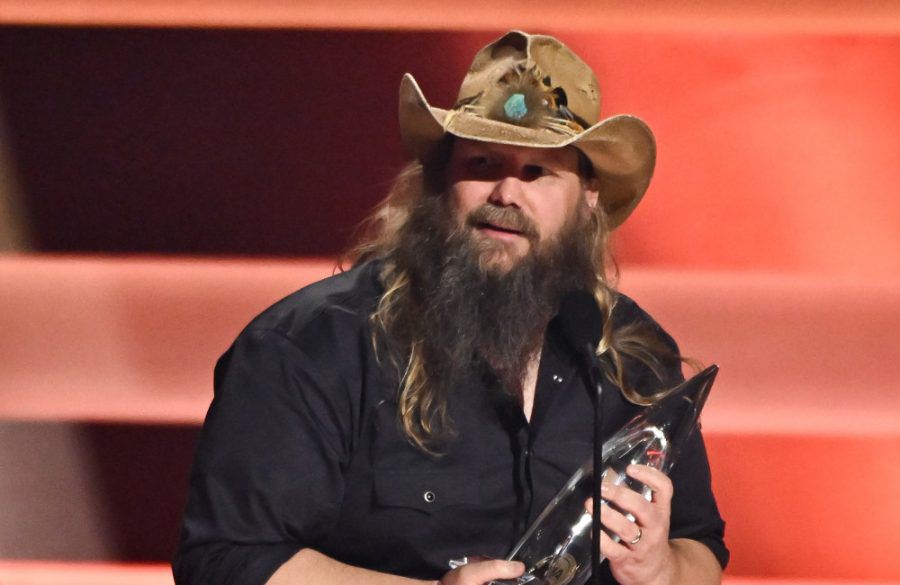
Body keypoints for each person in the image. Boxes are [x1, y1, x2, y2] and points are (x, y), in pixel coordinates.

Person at [173, 30, 728, 585]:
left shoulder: (629, 347)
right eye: (483, 163)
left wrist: (661, 568)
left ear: (586, 198)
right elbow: (227, 561)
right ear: (439, 179)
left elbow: (700, 547)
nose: (507, 193)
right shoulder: (312, 347)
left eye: (538, 171)